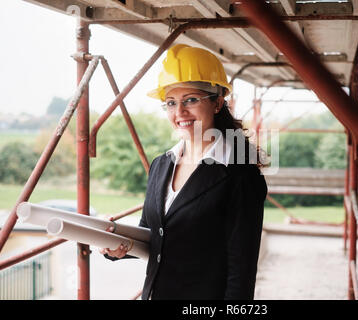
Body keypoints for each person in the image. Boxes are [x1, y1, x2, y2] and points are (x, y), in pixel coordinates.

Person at [100, 44, 268, 300]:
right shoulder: (161, 165)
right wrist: (119, 246)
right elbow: (153, 237)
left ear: (217, 103)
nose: (179, 113)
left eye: (190, 100)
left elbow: (241, 270)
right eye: (170, 103)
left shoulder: (240, 175)